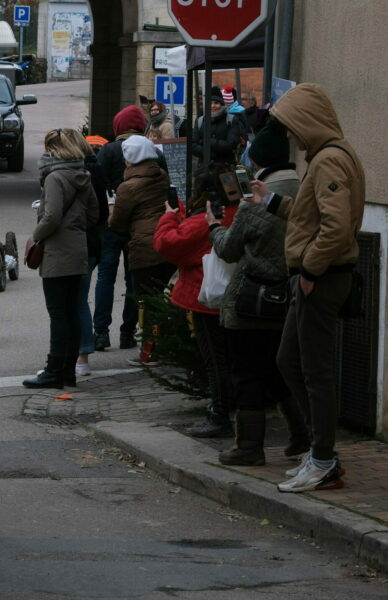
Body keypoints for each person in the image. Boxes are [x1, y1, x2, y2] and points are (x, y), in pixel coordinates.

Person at [250, 83, 365, 492]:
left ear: (307, 123)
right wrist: (270, 202)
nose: (290, 138)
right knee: (290, 360)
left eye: (291, 127)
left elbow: (334, 229)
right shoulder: (324, 157)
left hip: (323, 278)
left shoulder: (330, 159)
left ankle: (322, 459)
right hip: (317, 275)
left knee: (314, 371)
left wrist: (312, 272)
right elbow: (312, 216)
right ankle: (317, 453)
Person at [207, 121, 309, 465]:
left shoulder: (257, 200)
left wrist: (213, 226)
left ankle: (249, 448)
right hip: (293, 296)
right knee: (282, 371)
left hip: (253, 302)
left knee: (248, 374)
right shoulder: (303, 190)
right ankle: (302, 436)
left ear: (258, 159)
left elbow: (229, 249)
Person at [154, 164, 238, 438]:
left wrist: (169, 216)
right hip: (239, 295)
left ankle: (220, 414)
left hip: (208, 297)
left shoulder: (206, 219)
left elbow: (169, 244)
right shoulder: (240, 211)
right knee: (237, 358)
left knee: (216, 360)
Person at [23, 129, 96, 389]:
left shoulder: (54, 177)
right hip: (77, 250)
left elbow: (51, 216)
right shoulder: (83, 175)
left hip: (57, 252)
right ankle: (68, 371)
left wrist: (36, 235)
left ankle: (54, 370)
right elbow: (93, 215)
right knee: (71, 311)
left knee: (58, 314)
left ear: (55, 149)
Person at [94, 105, 167, 352]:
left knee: (105, 276)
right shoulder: (153, 152)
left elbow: (97, 184)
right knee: (132, 280)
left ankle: (101, 332)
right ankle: (128, 333)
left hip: (113, 223)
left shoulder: (109, 150)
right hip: (141, 228)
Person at [108, 135, 175, 366]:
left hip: (145, 249)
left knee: (146, 303)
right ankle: (167, 347)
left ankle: (150, 352)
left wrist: (111, 213)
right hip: (167, 242)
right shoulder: (162, 176)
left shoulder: (128, 187)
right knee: (164, 299)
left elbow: (117, 222)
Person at [74, 139, 109, 376]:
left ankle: (78, 357)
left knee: (74, 301)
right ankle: (81, 356)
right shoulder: (96, 171)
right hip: (94, 242)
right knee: (80, 300)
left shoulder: (76, 174)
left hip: (78, 245)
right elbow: (102, 213)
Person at [191, 86, 244, 165]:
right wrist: (208, 154)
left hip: (225, 167)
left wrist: (207, 141)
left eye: (216, 103)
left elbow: (231, 144)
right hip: (204, 167)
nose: (213, 106)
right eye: (210, 103)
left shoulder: (231, 120)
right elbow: (192, 144)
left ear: (221, 104)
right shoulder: (200, 121)